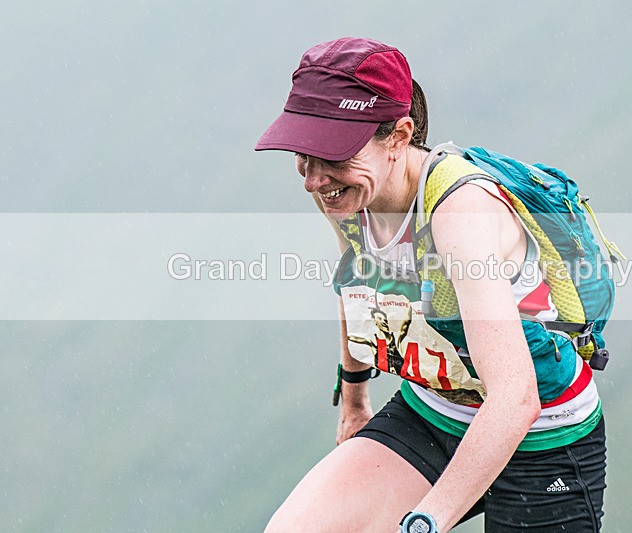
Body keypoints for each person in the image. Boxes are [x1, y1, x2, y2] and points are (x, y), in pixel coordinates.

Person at [255, 37, 607, 532]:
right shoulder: (348, 193)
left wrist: (426, 522)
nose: (313, 179)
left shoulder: (461, 213)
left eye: (331, 154)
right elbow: (357, 286)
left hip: (544, 436)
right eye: (304, 154)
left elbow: (516, 398)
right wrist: (354, 400)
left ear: (400, 136)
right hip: (433, 414)